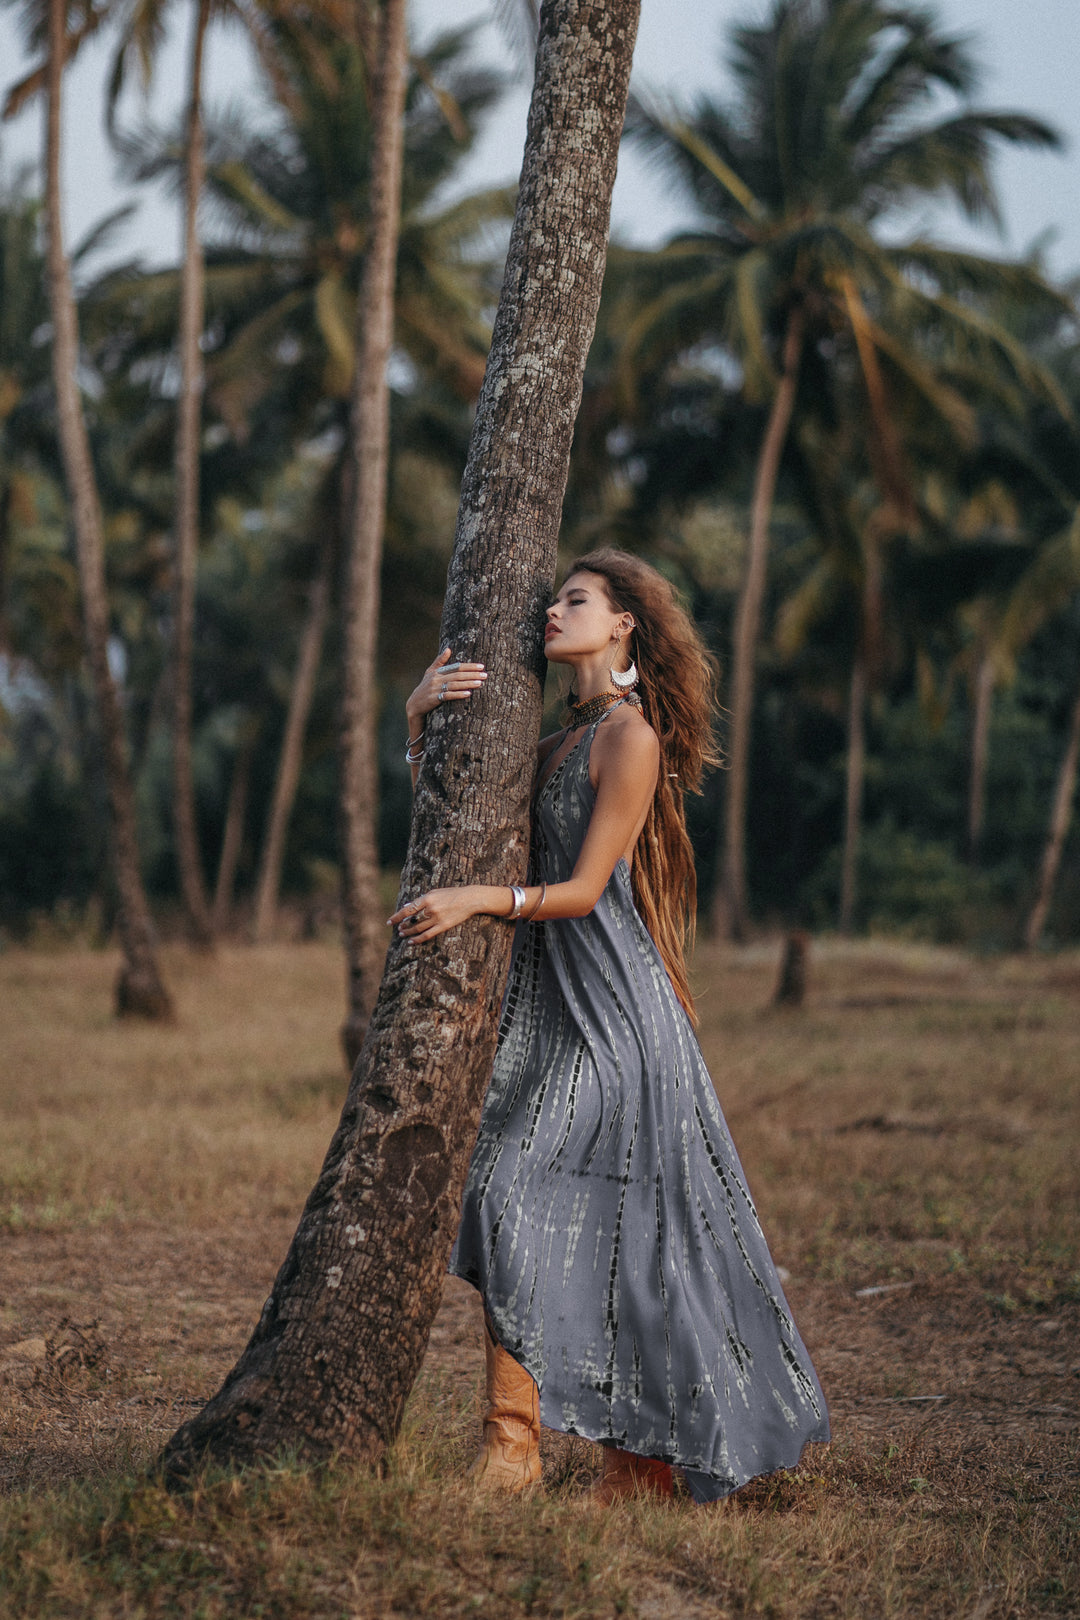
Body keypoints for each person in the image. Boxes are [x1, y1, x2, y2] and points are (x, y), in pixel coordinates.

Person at [388, 548, 829, 1504]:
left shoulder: (629, 739)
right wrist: (417, 717)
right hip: (552, 1013)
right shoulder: (552, 744)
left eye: (575, 600)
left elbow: (587, 892)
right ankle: (583, 1457)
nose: (552, 611)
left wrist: (475, 900)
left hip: (620, 1020)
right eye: (554, 598)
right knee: (523, 1200)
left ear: (624, 623)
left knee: (528, 1195)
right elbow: (450, 819)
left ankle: (527, 1451)